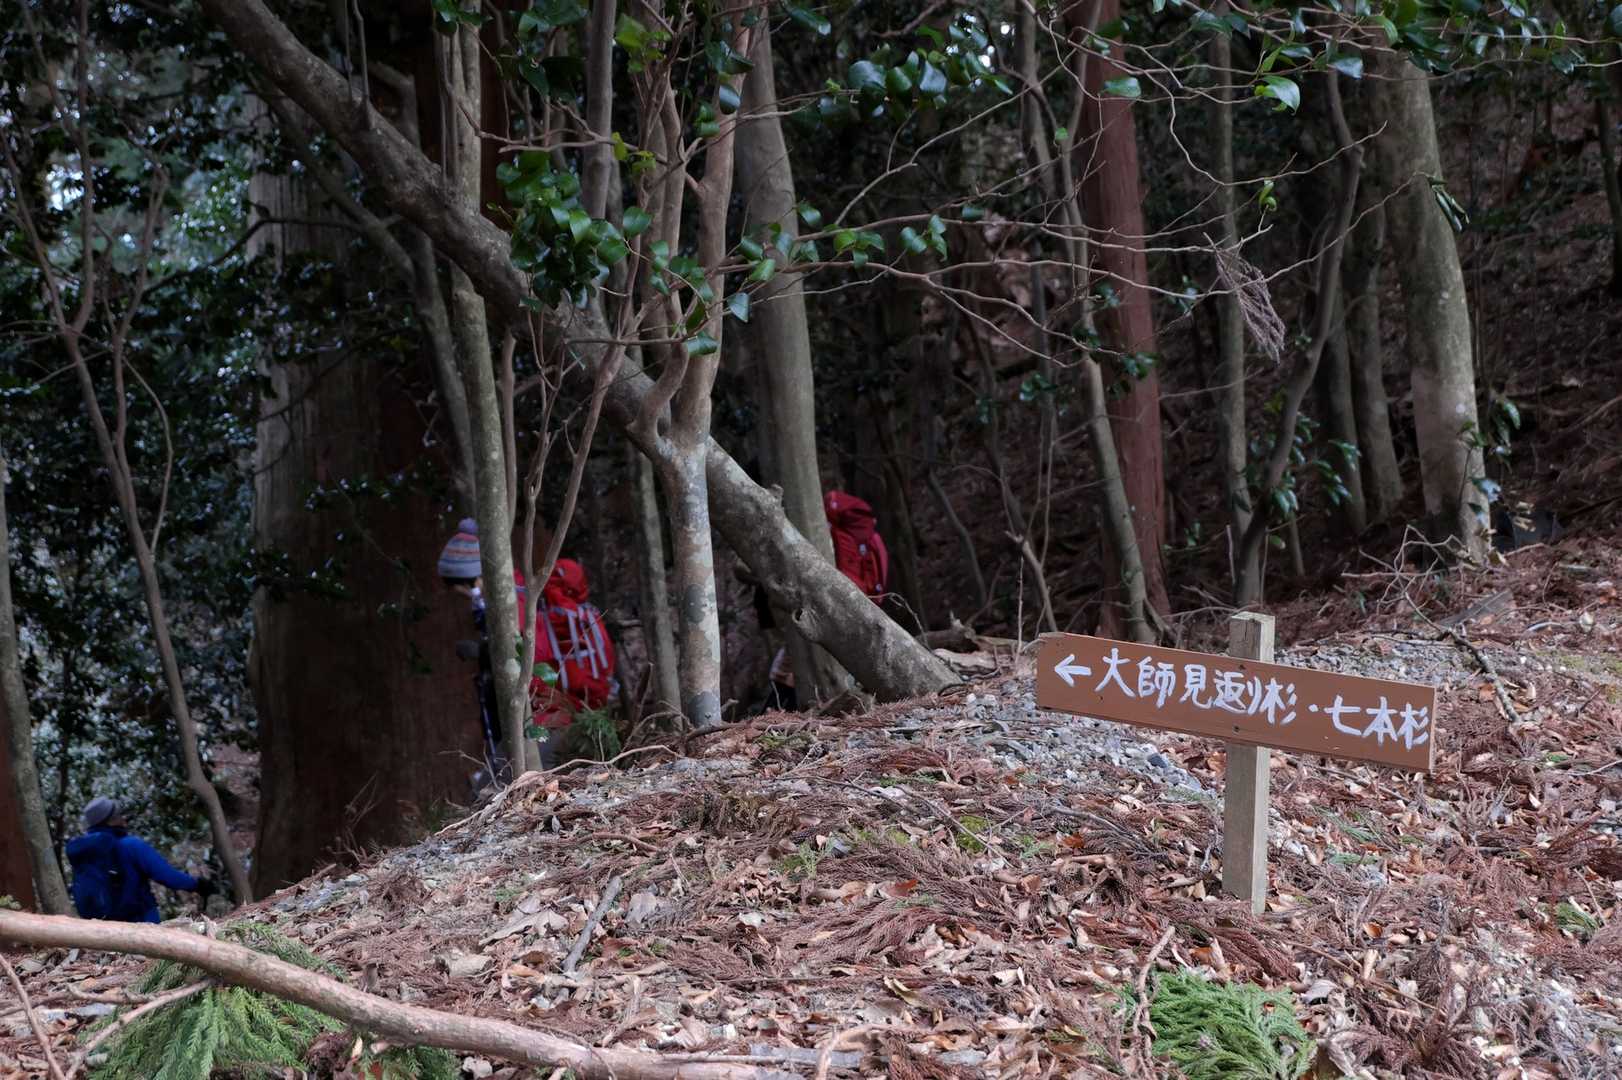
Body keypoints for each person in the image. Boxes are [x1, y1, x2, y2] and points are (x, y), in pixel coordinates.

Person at [65, 798, 215, 922]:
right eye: (119, 815)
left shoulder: (85, 852)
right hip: (140, 921)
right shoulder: (130, 845)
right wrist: (198, 884)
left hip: (102, 927)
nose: (123, 818)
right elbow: (166, 876)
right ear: (111, 820)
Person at [529, 558, 617, 768]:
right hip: (594, 717)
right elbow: (607, 665)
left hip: (554, 718)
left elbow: (535, 672)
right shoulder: (591, 618)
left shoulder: (543, 621)